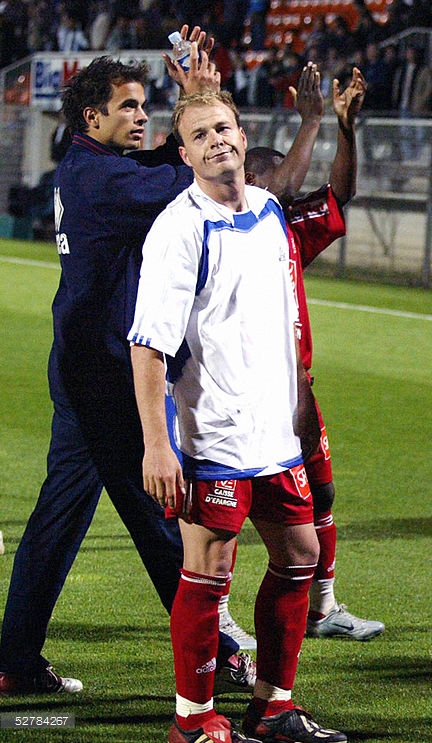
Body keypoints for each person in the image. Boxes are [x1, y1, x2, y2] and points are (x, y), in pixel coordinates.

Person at [0, 34, 254, 698]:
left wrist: (191, 98)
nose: (141, 116)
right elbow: (190, 178)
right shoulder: (99, 177)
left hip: (89, 367)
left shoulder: (90, 168)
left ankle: (16, 659)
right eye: (129, 107)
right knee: (161, 512)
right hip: (108, 376)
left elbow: (167, 161)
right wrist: (203, 108)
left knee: (60, 521)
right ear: (92, 118)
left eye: (146, 105)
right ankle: (219, 656)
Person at [129, 88, 347, 743]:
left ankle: (273, 705)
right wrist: (157, 446)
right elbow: (148, 344)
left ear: (244, 134)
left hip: (274, 433)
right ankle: (193, 720)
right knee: (208, 568)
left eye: (224, 127)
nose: (217, 140)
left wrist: (301, 404)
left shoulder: (270, 211)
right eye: (201, 135)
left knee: (301, 553)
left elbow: (282, 318)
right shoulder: (178, 228)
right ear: (185, 152)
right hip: (213, 436)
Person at [239, 65, 385, 643]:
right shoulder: (239, 217)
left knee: (320, 491)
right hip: (236, 392)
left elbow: (339, 194)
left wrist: (344, 129)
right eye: (278, 175)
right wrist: (314, 119)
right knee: (226, 513)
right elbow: (275, 191)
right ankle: (223, 620)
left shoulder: (288, 226)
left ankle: (324, 607)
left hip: (297, 388)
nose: (289, 186)